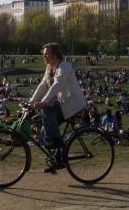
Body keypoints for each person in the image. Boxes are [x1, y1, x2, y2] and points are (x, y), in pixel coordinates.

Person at [29, 43, 87, 171]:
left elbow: (58, 84)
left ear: (55, 55)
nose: (43, 57)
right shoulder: (50, 68)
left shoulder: (64, 66)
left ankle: (57, 143)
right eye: (43, 54)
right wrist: (31, 101)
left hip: (73, 104)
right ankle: (58, 158)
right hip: (64, 104)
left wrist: (43, 102)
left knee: (47, 109)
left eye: (46, 54)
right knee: (43, 131)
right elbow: (43, 85)